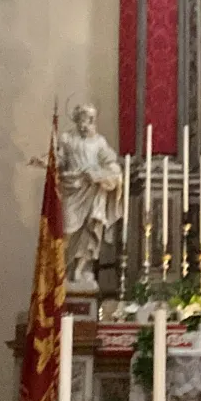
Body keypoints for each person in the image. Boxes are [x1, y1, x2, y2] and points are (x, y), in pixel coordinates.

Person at [33, 104, 123, 288]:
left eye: (90, 120)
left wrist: (100, 174)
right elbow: (59, 158)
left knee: (89, 229)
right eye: (83, 119)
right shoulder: (67, 139)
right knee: (67, 229)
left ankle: (80, 269)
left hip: (92, 191)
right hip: (72, 188)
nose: (86, 124)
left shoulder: (99, 142)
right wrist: (45, 161)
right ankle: (61, 269)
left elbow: (111, 163)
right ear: (76, 119)